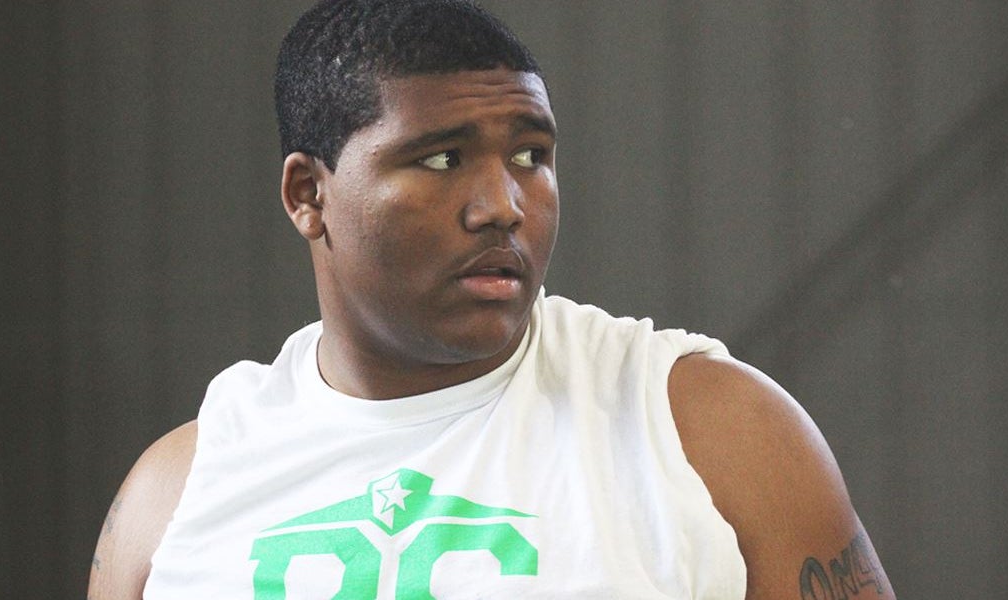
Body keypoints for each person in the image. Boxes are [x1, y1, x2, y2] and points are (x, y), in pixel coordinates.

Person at [88, 0, 895, 598]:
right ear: (308, 195)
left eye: (531, 155)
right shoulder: (179, 493)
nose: (503, 205)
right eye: (442, 160)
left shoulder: (711, 432)